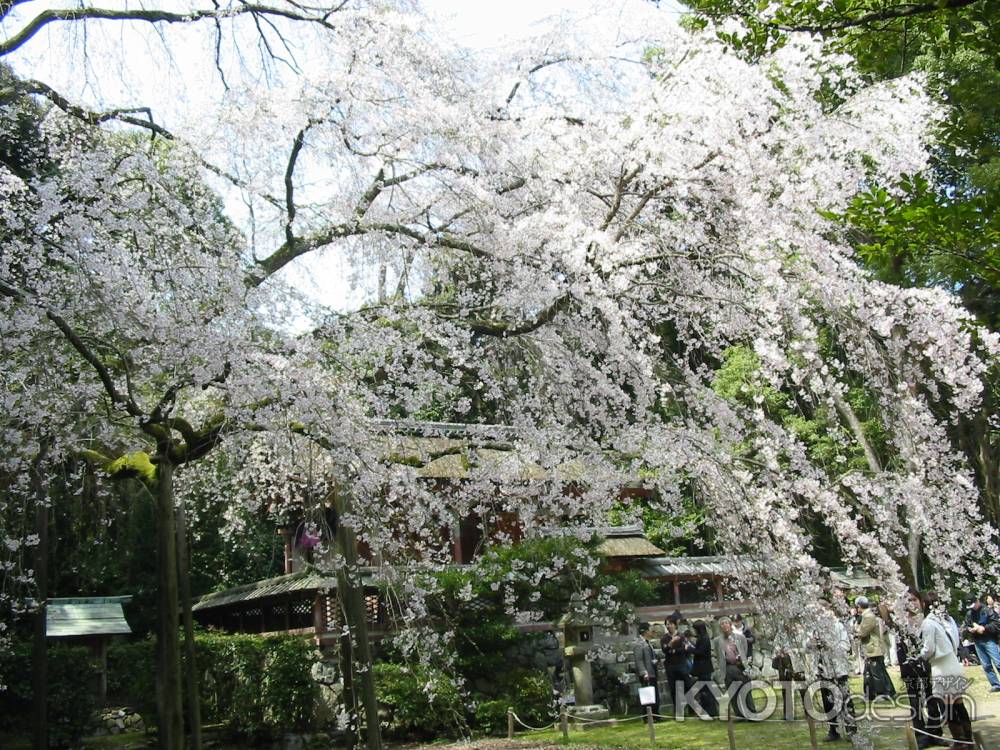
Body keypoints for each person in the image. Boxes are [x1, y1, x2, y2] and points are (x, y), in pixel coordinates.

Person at [918, 591, 972, 750]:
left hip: (941, 666)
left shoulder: (928, 623)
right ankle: (969, 739)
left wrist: (919, 655)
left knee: (949, 707)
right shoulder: (949, 619)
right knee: (959, 704)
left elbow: (929, 649)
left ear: (925, 604)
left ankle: (959, 741)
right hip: (954, 663)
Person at [898, 593, 947, 748]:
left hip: (929, 666)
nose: (911, 603)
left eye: (914, 600)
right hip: (910, 668)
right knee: (915, 702)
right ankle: (921, 735)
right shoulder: (901, 623)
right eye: (908, 600)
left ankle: (935, 733)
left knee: (932, 698)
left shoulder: (929, 622)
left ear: (922, 603)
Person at [809, 614, 857, 742]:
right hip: (823, 670)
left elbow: (846, 646)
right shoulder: (814, 629)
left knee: (845, 700)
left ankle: (851, 729)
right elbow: (807, 647)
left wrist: (829, 645)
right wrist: (812, 644)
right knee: (827, 702)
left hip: (838, 670)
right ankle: (833, 729)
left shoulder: (838, 626)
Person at [713, 616, 756, 718]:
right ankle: (739, 715)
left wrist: (743, 662)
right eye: (722, 624)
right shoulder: (717, 640)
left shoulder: (740, 637)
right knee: (733, 692)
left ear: (730, 624)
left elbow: (745, 650)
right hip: (727, 668)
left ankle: (752, 713)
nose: (724, 625)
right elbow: (718, 655)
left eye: (726, 623)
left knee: (746, 689)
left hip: (740, 667)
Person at [857, 595, 896, 700]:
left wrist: (856, 630)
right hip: (872, 647)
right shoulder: (868, 615)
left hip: (873, 648)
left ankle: (884, 693)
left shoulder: (868, 616)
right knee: (872, 672)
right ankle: (873, 693)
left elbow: (863, 632)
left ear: (859, 606)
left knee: (877, 673)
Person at [962, 595, 1000, 693]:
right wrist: (969, 629)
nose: (973, 607)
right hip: (977, 641)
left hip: (989, 639)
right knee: (986, 665)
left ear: (977, 601)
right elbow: (966, 625)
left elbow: (996, 624)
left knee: (998, 662)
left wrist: (984, 628)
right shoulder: (969, 614)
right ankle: (995, 684)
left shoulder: (988, 610)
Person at [661, 617, 695, 715]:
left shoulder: (681, 636)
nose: (669, 626)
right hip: (670, 666)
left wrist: (674, 650)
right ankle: (678, 711)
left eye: (671, 624)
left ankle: (692, 709)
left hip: (682, 664)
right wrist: (671, 643)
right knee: (674, 689)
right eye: (667, 624)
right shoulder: (664, 638)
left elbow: (686, 649)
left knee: (688, 686)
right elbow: (665, 650)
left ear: (675, 625)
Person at [691, 620, 719, 717]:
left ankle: (712, 711)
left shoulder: (704, 638)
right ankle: (706, 710)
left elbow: (701, 652)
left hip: (704, 668)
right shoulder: (701, 638)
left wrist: (690, 649)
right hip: (702, 668)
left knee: (707, 690)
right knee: (703, 690)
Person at [633, 622, 660, 715]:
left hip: (652, 671)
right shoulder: (639, 643)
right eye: (650, 629)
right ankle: (648, 715)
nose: (651, 631)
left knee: (654, 694)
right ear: (645, 631)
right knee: (647, 695)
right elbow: (639, 659)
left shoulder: (648, 642)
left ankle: (655, 714)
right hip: (647, 673)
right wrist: (644, 672)